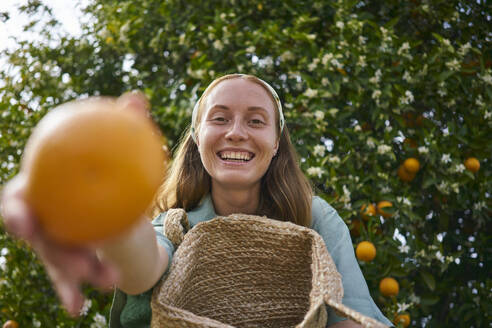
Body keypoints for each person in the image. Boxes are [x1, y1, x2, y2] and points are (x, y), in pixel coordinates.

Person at [0, 74, 392, 327]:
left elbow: (351, 316)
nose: (236, 132)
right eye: (219, 119)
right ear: (198, 138)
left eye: (256, 121)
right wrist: (110, 217)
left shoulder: (314, 217)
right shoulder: (174, 221)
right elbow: (143, 269)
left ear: (275, 145)